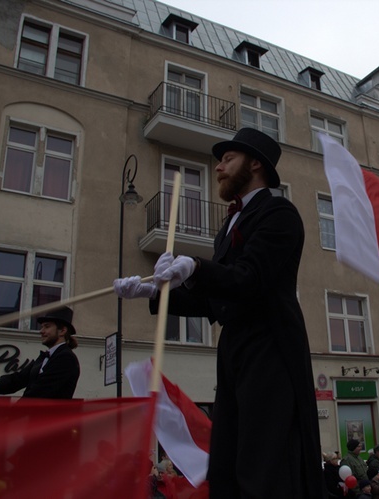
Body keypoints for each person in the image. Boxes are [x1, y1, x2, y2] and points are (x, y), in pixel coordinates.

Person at [114, 128, 324, 499]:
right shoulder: (227, 227)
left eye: (228, 159)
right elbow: (217, 301)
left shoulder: (279, 213)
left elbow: (249, 279)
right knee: (229, 453)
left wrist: (195, 267)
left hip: (270, 344)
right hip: (234, 347)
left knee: (264, 459)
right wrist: (155, 292)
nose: (218, 168)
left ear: (255, 163)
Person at [0, 307, 80, 399]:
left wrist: (8, 417)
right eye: (42, 327)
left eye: (47, 327)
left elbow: (39, 393)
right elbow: (18, 379)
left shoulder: (66, 358)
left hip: (49, 421)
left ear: (62, 331)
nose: (41, 331)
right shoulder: (45, 357)